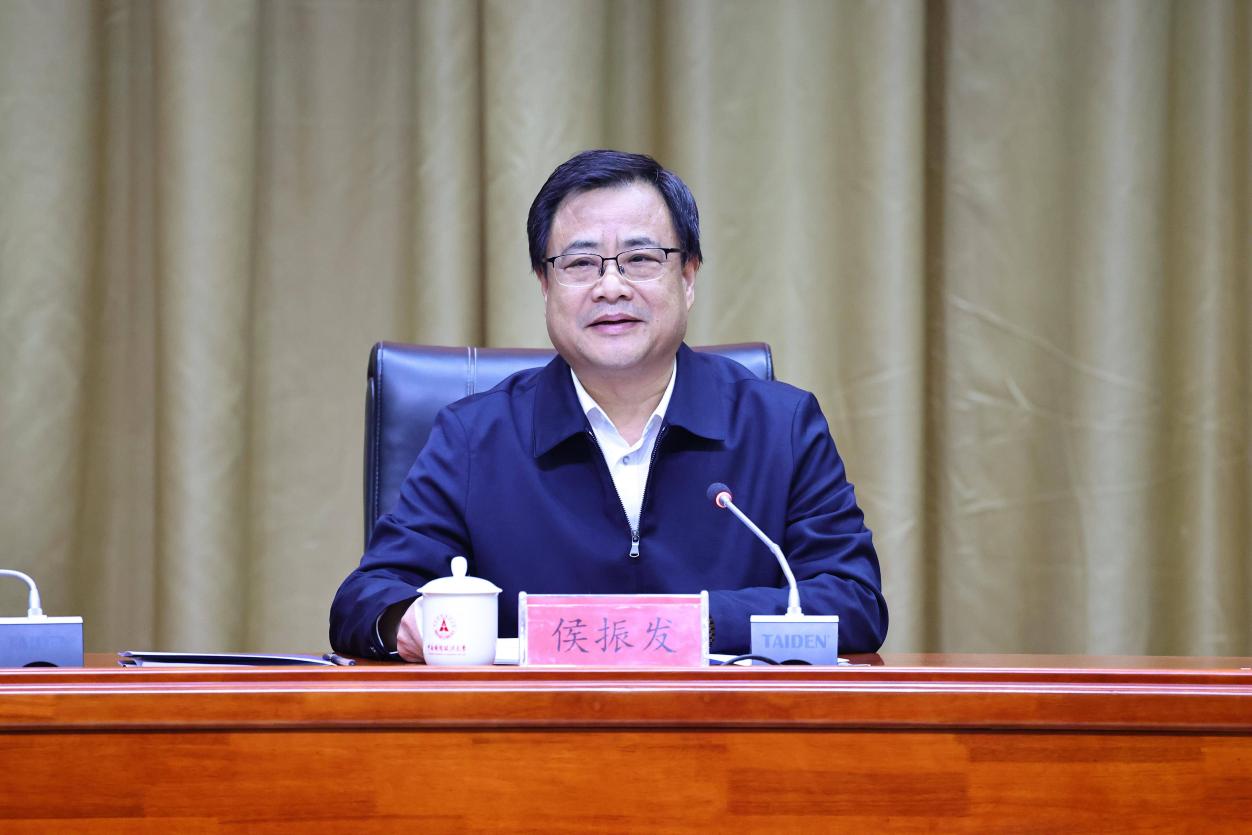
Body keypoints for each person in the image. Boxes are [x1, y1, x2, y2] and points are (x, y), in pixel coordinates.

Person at [330, 149, 887, 660]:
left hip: (722, 730)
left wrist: (692, 624)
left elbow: (853, 600)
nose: (611, 287)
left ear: (688, 277)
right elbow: (366, 599)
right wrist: (407, 621)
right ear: (545, 285)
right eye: (580, 264)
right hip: (531, 730)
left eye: (641, 259)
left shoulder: (780, 426)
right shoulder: (475, 438)